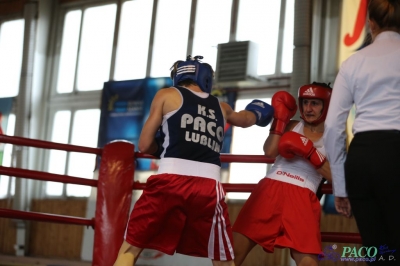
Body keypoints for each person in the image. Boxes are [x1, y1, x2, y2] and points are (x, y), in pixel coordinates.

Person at [113, 55, 274, 266]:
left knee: (131, 247)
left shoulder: (166, 95)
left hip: (168, 181)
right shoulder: (222, 107)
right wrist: (261, 111)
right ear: (206, 78)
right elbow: (246, 120)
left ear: (178, 77)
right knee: (223, 258)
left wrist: (161, 148)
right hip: (208, 188)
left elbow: (144, 145)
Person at [323, 0, 400, 264]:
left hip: (362, 158)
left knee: (377, 253)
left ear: (371, 23)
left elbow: (333, 126)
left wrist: (341, 187)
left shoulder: (353, 62)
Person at [232, 82, 333, 266]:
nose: (308, 109)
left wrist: (310, 153)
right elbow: (270, 151)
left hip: (303, 194)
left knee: (308, 263)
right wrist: (279, 122)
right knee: (233, 253)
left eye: (315, 103)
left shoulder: (335, 137)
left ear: (326, 106)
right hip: (270, 188)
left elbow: (337, 176)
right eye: (305, 103)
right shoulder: (292, 125)